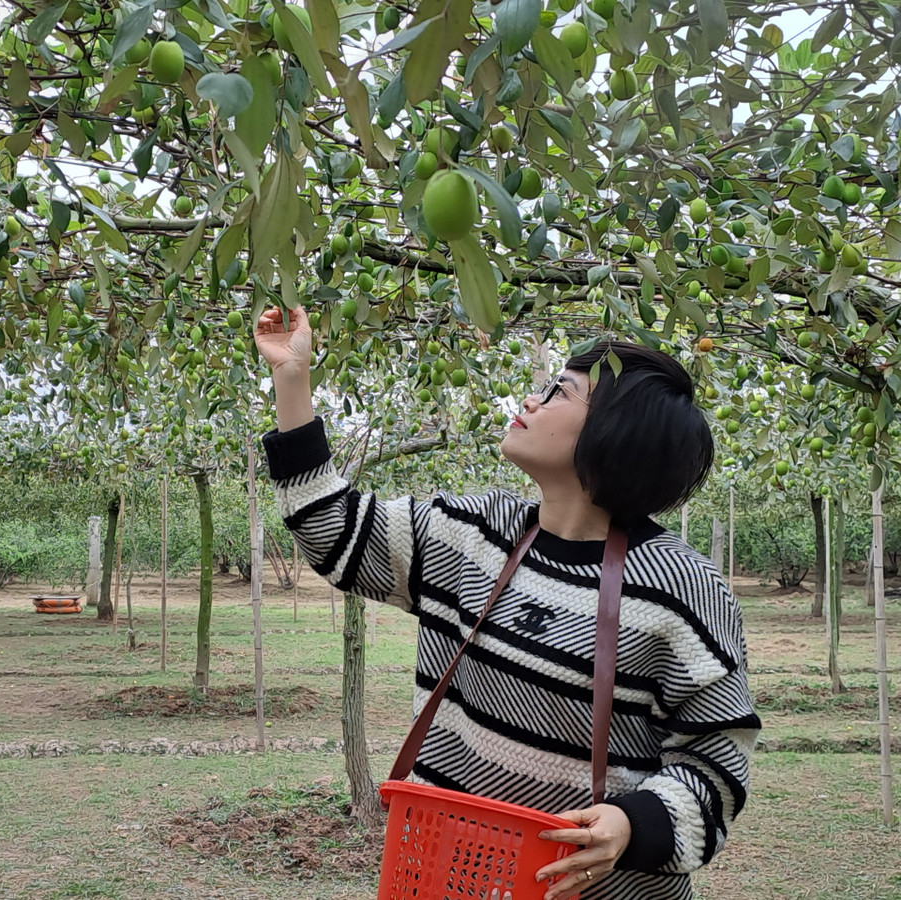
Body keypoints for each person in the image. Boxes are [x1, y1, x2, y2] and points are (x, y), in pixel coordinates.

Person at [253, 307, 761, 900]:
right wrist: (292, 381)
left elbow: (715, 759)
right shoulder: (473, 535)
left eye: (559, 392)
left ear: (614, 432)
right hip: (452, 878)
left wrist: (630, 824)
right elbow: (334, 529)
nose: (534, 400)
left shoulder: (681, 587)